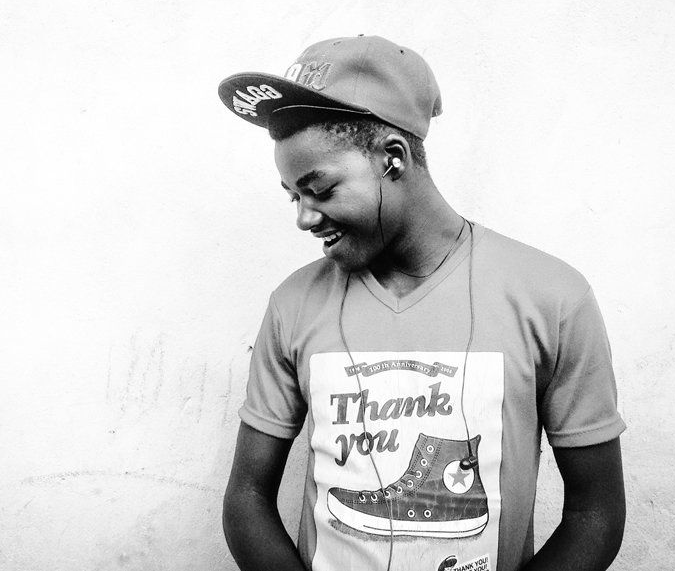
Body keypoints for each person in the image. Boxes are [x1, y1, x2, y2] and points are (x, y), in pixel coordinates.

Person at [217, 35, 626, 571]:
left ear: (393, 158)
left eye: (320, 189)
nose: (304, 217)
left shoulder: (551, 296)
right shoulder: (294, 302)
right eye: (294, 196)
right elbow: (246, 496)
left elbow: (596, 512)